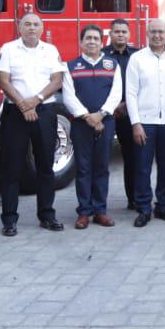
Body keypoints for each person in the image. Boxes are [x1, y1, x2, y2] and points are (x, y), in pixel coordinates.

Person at [0, 12, 66, 236]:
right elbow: (3, 80)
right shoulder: (8, 49)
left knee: (46, 166)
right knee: (12, 167)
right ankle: (9, 220)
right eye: (27, 24)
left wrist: (35, 101)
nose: (31, 28)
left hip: (44, 110)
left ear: (42, 29)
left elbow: (57, 80)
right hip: (15, 112)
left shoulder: (50, 50)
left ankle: (47, 215)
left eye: (36, 24)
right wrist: (23, 105)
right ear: (19, 27)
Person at [126, 19, 165, 226]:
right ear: (147, 33)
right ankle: (144, 208)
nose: (157, 36)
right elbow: (131, 93)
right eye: (153, 32)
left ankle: (163, 205)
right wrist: (135, 123)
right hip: (145, 122)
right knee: (142, 167)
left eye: (161, 32)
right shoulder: (137, 59)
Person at [62, 25, 123, 229]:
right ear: (81, 42)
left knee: (101, 168)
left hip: (105, 122)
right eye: (88, 38)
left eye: (96, 38)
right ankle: (84, 212)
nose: (92, 42)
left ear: (101, 42)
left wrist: (101, 114)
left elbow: (116, 94)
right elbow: (69, 96)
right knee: (83, 168)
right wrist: (87, 117)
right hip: (81, 124)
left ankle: (100, 211)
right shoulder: (70, 66)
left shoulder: (112, 65)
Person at [103, 20, 139, 210]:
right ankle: (97, 203)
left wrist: (127, 104)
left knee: (131, 157)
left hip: (128, 112)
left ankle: (133, 198)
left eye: (124, 32)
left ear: (129, 34)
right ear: (110, 33)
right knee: (101, 158)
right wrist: (111, 106)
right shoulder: (101, 55)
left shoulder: (137, 55)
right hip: (106, 113)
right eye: (116, 31)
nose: (120, 35)